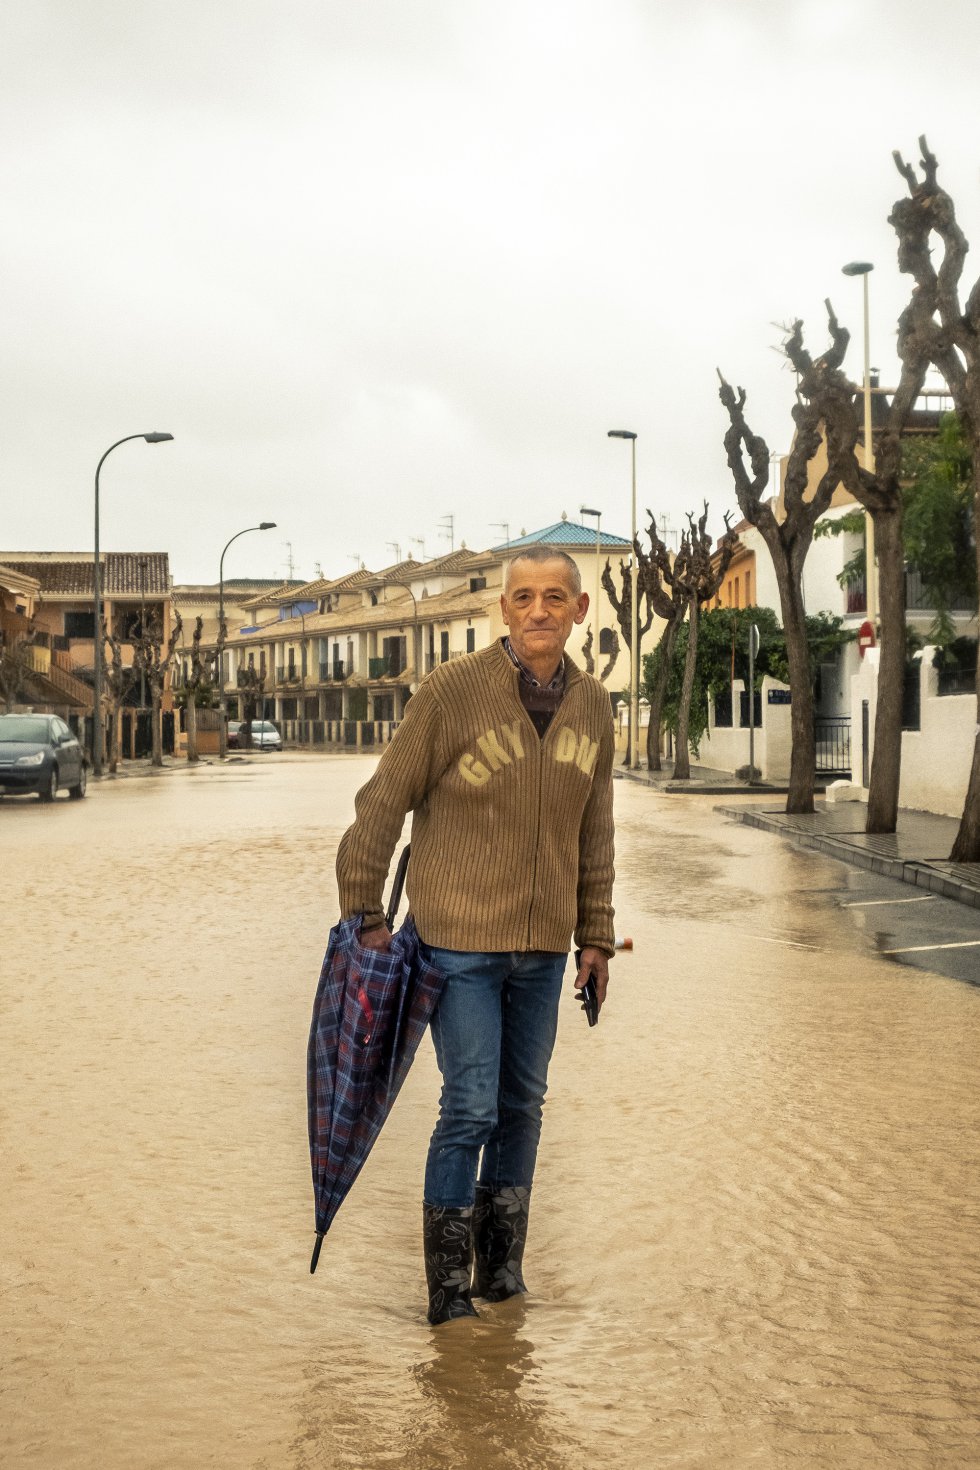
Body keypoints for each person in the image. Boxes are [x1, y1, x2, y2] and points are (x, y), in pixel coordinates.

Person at [335, 547, 616, 1323]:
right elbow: (382, 800)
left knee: (523, 1104)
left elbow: (597, 829)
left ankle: (504, 1275)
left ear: (578, 611)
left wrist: (596, 934)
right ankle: (449, 1292)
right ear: (503, 610)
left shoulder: (593, 706)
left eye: (554, 597)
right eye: (523, 597)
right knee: (470, 1106)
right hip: (456, 942)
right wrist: (365, 913)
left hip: (542, 946)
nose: (538, 611)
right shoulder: (451, 692)